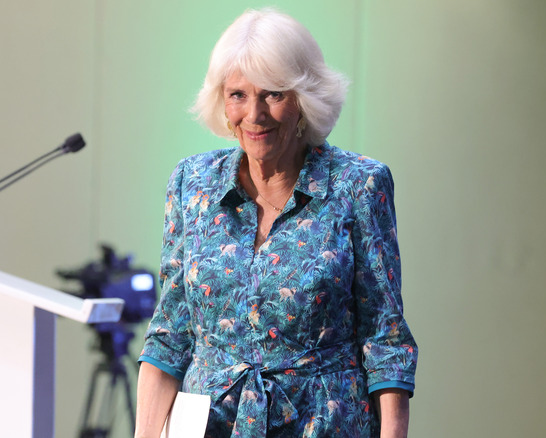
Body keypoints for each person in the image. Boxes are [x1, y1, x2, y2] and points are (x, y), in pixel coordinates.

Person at [135, 8, 417, 438]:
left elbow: (386, 339)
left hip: (322, 423)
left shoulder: (359, 185)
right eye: (238, 95)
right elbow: (170, 335)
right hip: (210, 425)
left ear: (304, 98)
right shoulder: (192, 183)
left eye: (273, 94)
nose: (254, 114)